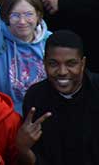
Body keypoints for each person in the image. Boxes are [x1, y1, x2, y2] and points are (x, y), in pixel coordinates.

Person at [20, 30, 99, 163]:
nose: (62, 72)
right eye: (53, 64)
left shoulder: (96, 88)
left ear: (83, 63)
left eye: (71, 63)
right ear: (44, 63)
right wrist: (22, 147)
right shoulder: (35, 97)